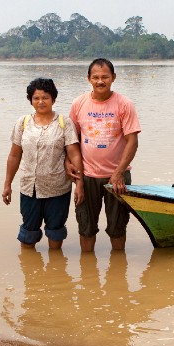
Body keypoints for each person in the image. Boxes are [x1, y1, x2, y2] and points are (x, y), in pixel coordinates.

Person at [68, 58, 141, 252]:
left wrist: (118, 173)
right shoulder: (78, 104)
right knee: (86, 227)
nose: (100, 81)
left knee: (117, 227)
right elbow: (71, 140)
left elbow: (132, 141)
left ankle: (117, 273)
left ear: (113, 78)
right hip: (87, 176)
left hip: (117, 176)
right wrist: (69, 163)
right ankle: (88, 274)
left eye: (105, 77)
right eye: (96, 77)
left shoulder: (124, 104)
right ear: (89, 79)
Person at [3, 78, 84, 249]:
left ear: (53, 99)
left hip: (58, 188)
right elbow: (14, 155)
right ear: (30, 100)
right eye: (36, 98)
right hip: (29, 188)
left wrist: (80, 184)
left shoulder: (64, 123)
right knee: (28, 234)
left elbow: (74, 154)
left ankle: (55, 270)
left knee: (55, 232)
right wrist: (7, 184)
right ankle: (30, 272)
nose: (41, 102)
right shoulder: (23, 122)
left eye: (45, 97)